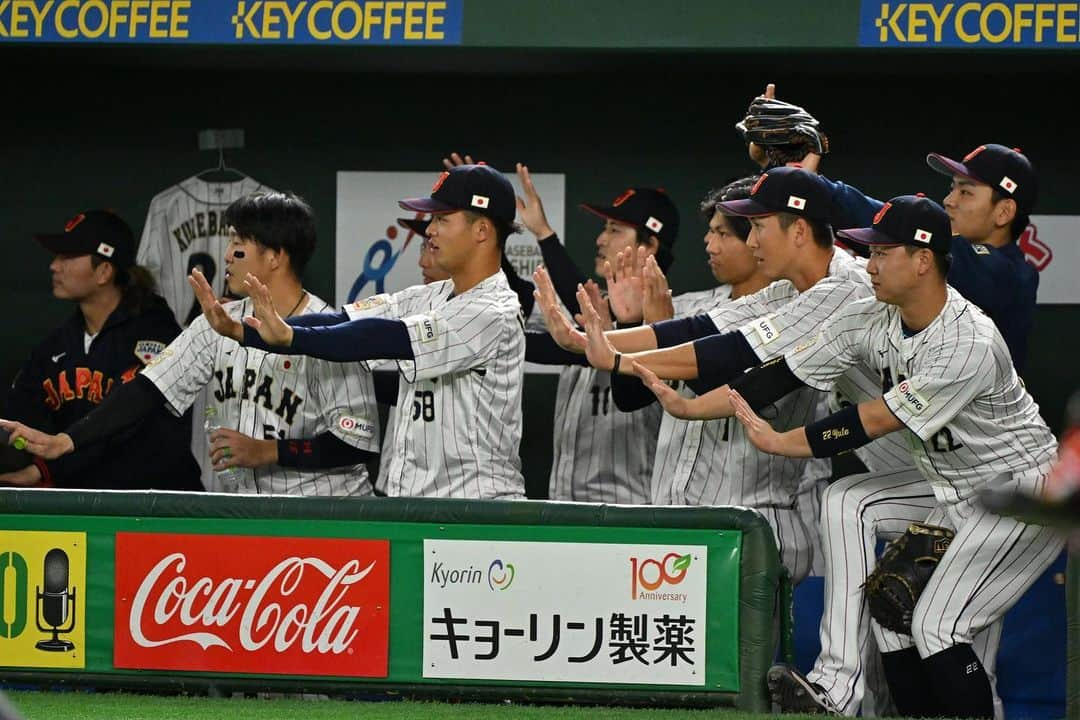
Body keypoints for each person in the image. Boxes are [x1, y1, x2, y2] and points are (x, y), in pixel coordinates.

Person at [643, 195, 1063, 719]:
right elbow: (782, 373)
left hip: (1018, 487)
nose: (870, 263)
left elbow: (871, 422)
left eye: (884, 252)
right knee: (871, 561)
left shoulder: (967, 340)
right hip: (949, 483)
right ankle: (837, 690)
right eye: (870, 251)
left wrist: (780, 441)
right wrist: (687, 407)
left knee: (936, 623)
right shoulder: (876, 315)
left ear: (923, 259)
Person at [1, 192, 381, 496]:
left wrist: (268, 451)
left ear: (276, 256)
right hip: (249, 513)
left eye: (239, 244)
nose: (228, 254)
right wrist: (66, 441)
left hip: (329, 517)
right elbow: (148, 389)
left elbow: (357, 442)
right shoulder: (218, 321)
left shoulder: (331, 330)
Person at [188, 164, 527, 499]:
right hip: (422, 504)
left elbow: (382, 336)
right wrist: (248, 332)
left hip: (479, 510)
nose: (430, 231)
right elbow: (343, 321)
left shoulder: (493, 310)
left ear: (481, 230)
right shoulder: (433, 294)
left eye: (442, 219)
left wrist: (291, 338)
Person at [0, 209, 199, 490]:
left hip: (157, 509)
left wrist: (45, 470)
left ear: (104, 270)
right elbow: (16, 414)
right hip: (85, 509)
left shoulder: (156, 333)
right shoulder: (57, 346)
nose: (54, 266)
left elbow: (128, 427)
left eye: (67, 257)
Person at [516, 163, 677, 503]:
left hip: (630, 512)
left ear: (648, 246)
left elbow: (572, 347)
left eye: (615, 230)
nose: (601, 239)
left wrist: (546, 236)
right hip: (564, 505)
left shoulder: (673, 318)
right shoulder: (599, 308)